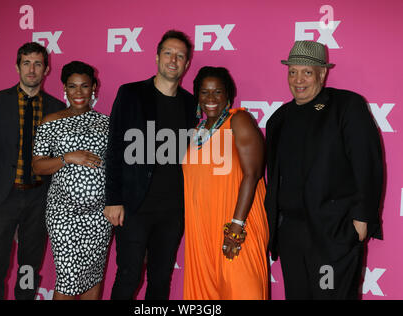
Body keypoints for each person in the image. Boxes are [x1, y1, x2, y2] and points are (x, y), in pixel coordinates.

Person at [265, 40, 383, 299]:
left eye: (307, 72)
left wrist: (362, 220)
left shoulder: (346, 106)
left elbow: (367, 163)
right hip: (291, 234)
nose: (298, 80)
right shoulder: (279, 118)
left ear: (322, 73)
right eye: (292, 71)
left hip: (332, 233)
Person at [0, 42, 66, 300]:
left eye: (38, 64)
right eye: (26, 63)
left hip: (39, 200)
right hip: (2, 197)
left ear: (46, 70)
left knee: (29, 268)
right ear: (17, 67)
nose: (31, 69)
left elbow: (59, 159)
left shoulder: (57, 109)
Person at [104, 30, 197, 300]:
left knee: (160, 278)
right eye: (168, 53)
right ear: (157, 57)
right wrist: (113, 199)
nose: (173, 60)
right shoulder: (131, 94)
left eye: (180, 56)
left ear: (187, 64)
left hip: (173, 210)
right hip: (134, 206)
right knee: (128, 276)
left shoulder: (191, 104)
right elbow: (115, 148)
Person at [182, 66, 269, 300]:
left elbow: (253, 174)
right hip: (202, 231)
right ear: (197, 96)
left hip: (237, 226)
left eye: (217, 92)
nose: (210, 99)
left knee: (243, 290)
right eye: (204, 92)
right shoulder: (194, 132)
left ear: (228, 95)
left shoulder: (238, 120)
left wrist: (236, 226)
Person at [32, 61, 112, 300]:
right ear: (64, 89)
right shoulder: (50, 122)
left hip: (99, 216)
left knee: (93, 276)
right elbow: (38, 165)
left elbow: (115, 167)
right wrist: (68, 158)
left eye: (84, 86)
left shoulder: (107, 123)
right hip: (64, 215)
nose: (78, 92)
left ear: (94, 88)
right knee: (68, 279)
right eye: (72, 86)